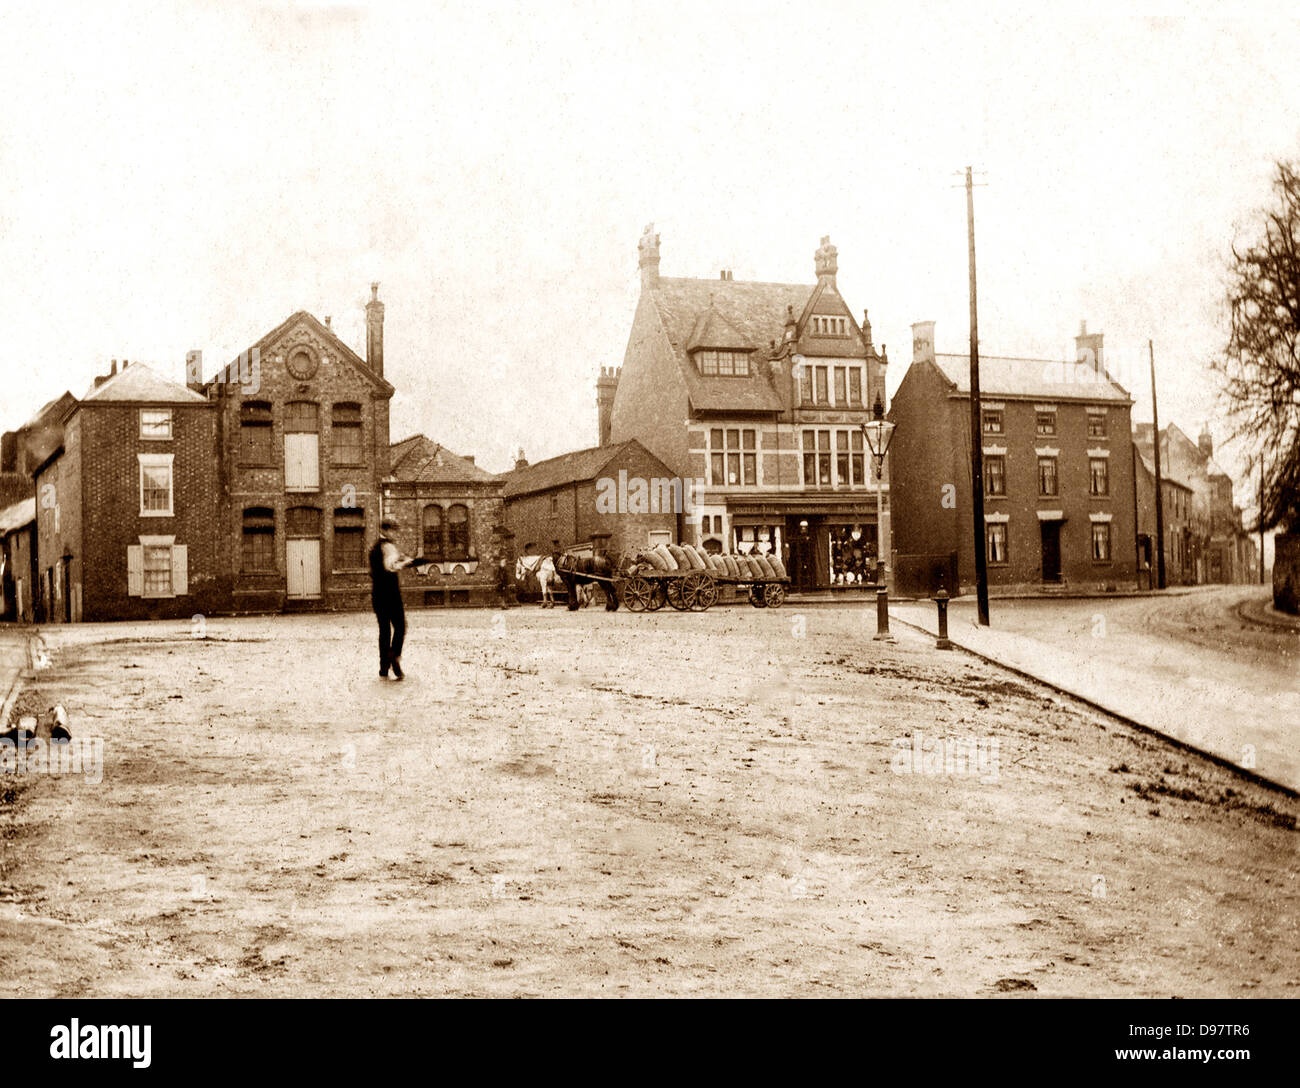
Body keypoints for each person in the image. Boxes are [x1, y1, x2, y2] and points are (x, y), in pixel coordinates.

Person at [369, 516, 426, 680]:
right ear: (385, 530)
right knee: (400, 626)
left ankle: (383, 668)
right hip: (390, 594)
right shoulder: (388, 547)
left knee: (384, 631)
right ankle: (394, 656)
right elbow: (392, 565)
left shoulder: (374, 548)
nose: (394, 533)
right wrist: (412, 563)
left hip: (377, 595)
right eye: (392, 529)